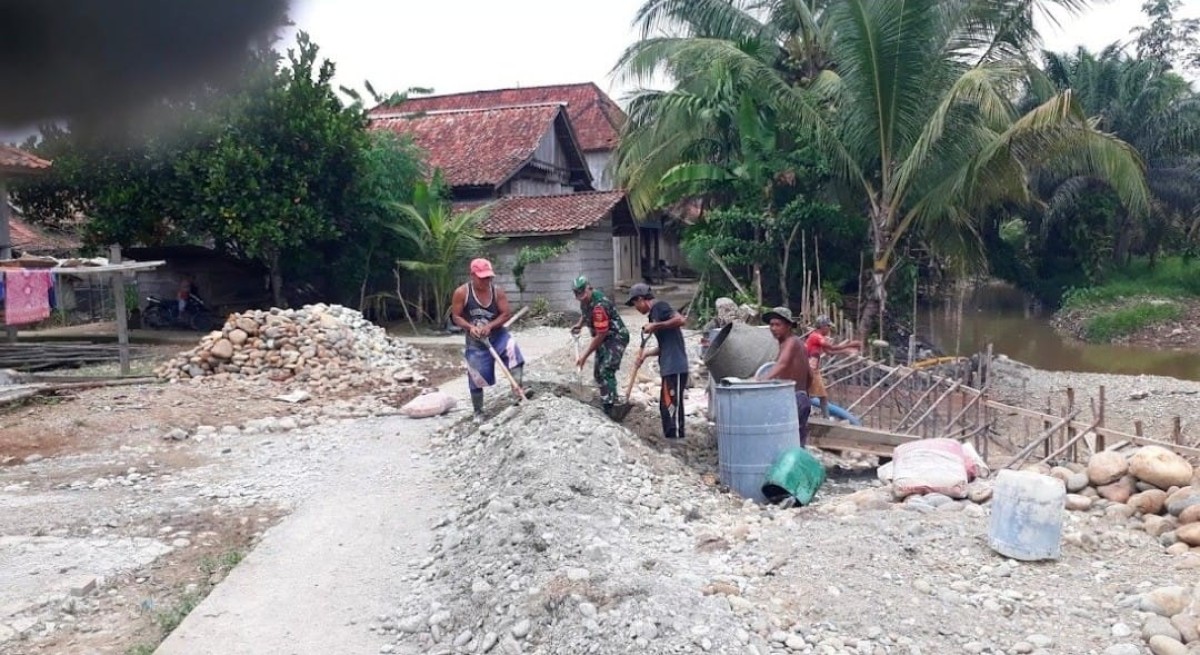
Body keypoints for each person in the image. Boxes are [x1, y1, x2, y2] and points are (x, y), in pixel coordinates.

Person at [450, 258, 525, 421]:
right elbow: (456, 316)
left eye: (488, 277)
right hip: (476, 341)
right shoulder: (462, 293)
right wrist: (470, 327)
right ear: (472, 275)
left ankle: (518, 394)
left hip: (498, 335)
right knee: (476, 374)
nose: (486, 281)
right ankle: (478, 411)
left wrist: (490, 326)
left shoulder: (497, 292)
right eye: (482, 278)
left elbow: (506, 314)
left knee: (513, 351)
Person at [626, 283, 688, 440]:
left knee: (672, 406)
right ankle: (671, 439)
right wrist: (646, 354)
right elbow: (664, 346)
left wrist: (655, 325)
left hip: (675, 366)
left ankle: (677, 441)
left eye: (634, 304)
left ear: (640, 299)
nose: (636, 308)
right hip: (668, 367)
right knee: (665, 406)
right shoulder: (653, 315)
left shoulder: (660, 307)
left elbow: (680, 320)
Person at [571, 275, 629, 418]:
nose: (581, 298)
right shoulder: (586, 300)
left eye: (582, 294)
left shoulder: (600, 306)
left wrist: (584, 357)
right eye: (578, 295)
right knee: (598, 373)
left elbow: (600, 335)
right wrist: (579, 325)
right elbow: (586, 312)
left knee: (606, 370)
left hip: (616, 337)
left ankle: (611, 407)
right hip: (604, 338)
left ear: (589, 288)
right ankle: (606, 397)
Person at [758, 306, 813, 447]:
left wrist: (760, 381)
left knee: (786, 443)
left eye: (778, 325)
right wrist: (805, 394)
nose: (773, 328)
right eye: (771, 325)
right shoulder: (797, 343)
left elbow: (782, 364)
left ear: (788, 326)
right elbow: (810, 374)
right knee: (796, 443)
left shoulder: (791, 342)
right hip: (801, 398)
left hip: (793, 399)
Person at [805, 315, 861, 417]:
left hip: (812, 370)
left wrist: (845, 350)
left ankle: (821, 417)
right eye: (828, 327)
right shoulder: (816, 337)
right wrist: (850, 345)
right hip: (810, 370)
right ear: (823, 326)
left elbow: (829, 352)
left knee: (818, 395)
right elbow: (831, 347)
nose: (829, 329)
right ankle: (824, 418)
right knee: (821, 396)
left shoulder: (817, 337)